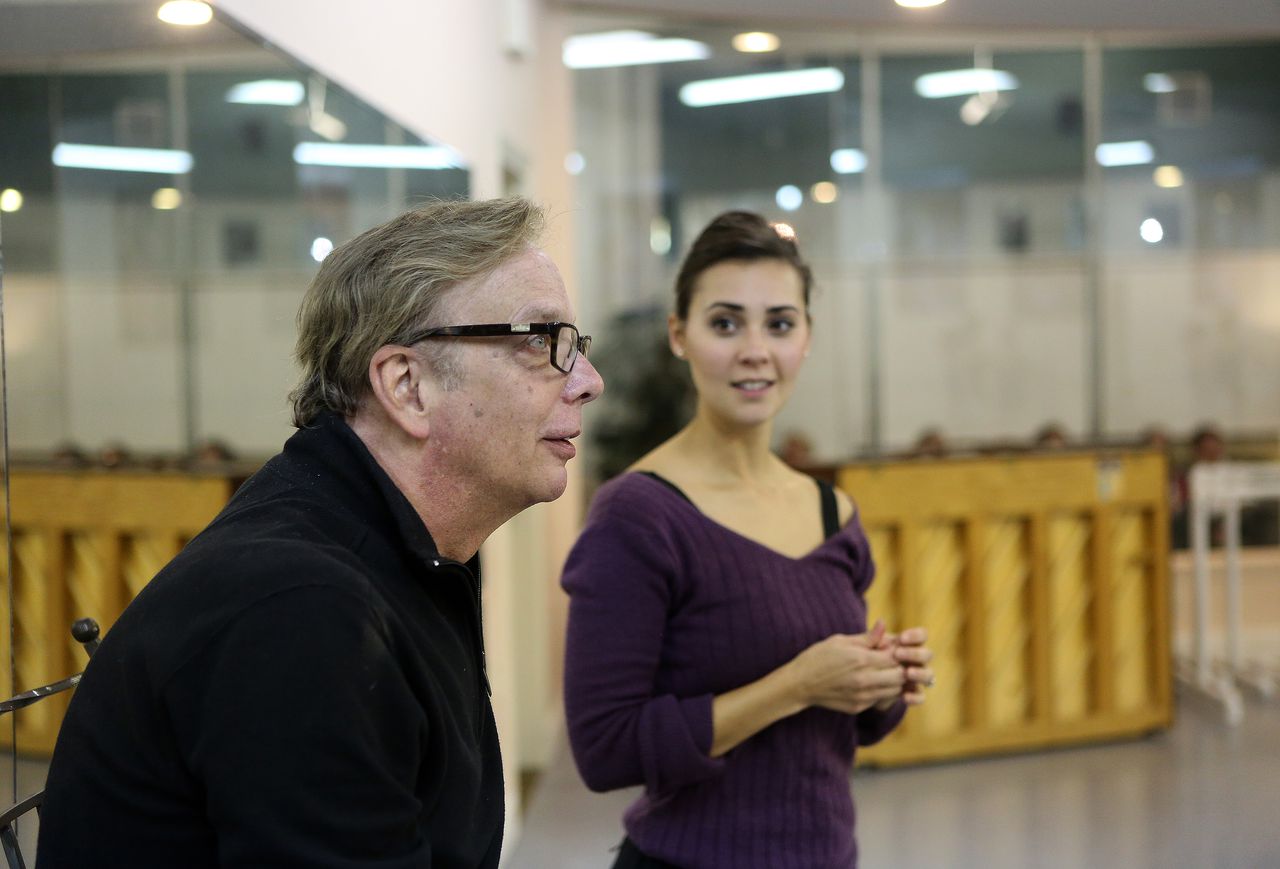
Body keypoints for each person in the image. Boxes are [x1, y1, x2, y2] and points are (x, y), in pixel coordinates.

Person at [37, 198, 604, 867]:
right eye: (539, 339)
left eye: (573, 344)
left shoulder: (402, 548)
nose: (588, 382)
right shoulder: (301, 607)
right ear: (407, 385)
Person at [560, 211, 934, 869]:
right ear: (680, 335)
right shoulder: (638, 516)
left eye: (780, 323)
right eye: (725, 323)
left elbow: (843, 728)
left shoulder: (833, 512)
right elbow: (605, 747)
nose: (755, 349)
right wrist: (797, 683)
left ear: (807, 338)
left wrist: (879, 684)